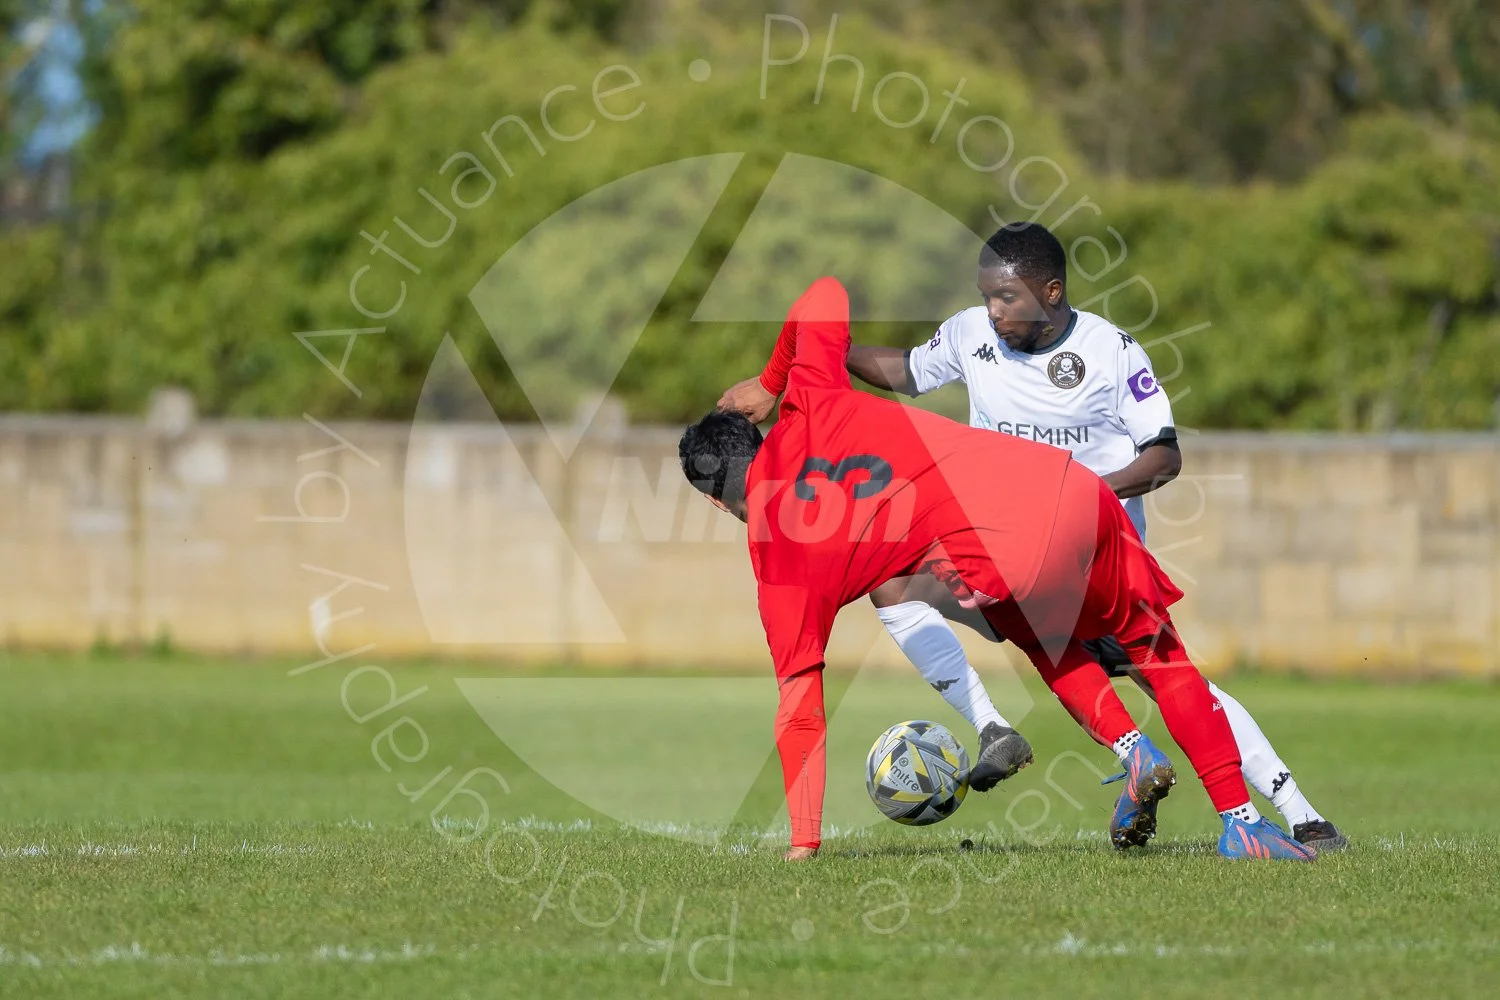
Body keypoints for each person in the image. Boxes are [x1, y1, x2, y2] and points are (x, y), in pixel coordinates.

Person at [717, 223, 1346, 853]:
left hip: (1092, 536)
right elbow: (908, 372)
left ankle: (1297, 811)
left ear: (1051, 292)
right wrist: (824, 352)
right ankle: (1008, 730)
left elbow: (1164, 456)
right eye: (986, 296)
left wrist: (1074, 488)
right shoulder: (971, 334)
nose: (992, 312)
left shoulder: (1111, 351)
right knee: (903, 587)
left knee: (1144, 670)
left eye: (1005, 299)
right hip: (1004, 546)